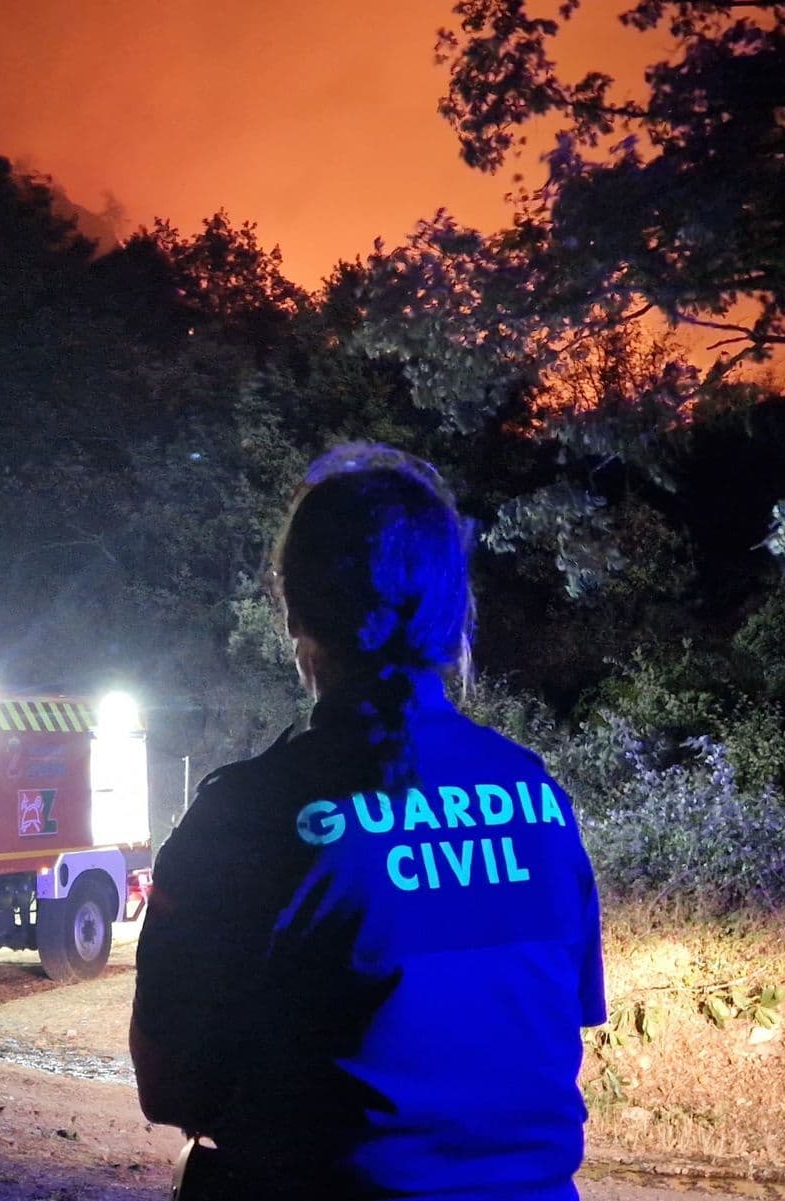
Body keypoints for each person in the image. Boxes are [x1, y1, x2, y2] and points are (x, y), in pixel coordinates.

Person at [132, 445, 607, 1199]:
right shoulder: (537, 797)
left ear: (291, 606)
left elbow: (169, 1087)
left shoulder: (247, 815)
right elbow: (545, 1034)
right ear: (455, 609)